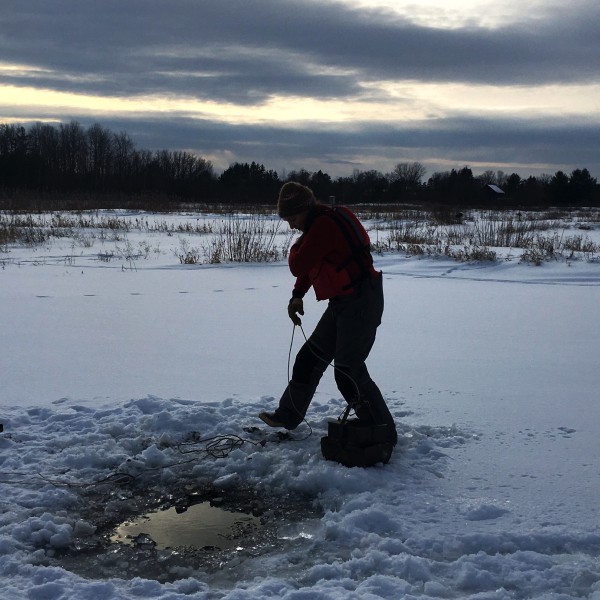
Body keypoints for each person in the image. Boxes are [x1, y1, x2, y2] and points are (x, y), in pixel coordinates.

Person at [259, 182, 397, 446]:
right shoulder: (319, 224)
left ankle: (381, 428)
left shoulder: (324, 226)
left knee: (348, 371)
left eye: (293, 219)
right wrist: (297, 295)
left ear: (306, 209)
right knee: (309, 359)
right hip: (343, 302)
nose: (291, 226)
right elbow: (315, 265)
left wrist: (297, 244)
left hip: (360, 303)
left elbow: (299, 263)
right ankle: (288, 415)